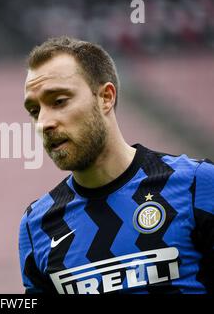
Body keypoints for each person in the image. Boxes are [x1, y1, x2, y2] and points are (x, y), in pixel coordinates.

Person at [18, 36, 213, 294]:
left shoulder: (196, 185)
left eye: (59, 101)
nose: (43, 123)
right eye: (34, 111)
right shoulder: (37, 225)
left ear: (106, 98)